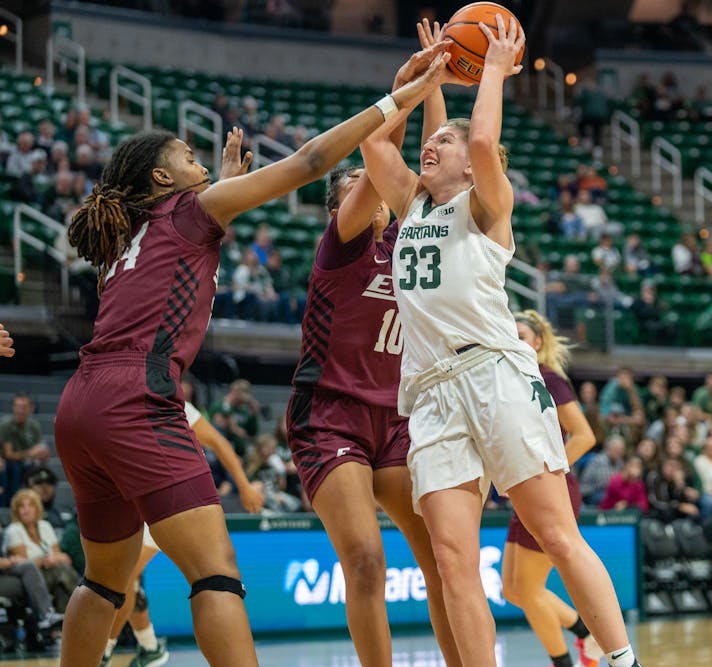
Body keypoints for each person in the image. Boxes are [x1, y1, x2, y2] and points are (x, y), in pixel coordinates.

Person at [51, 43, 448, 667]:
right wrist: (397, 98)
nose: (200, 165)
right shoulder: (192, 209)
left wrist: (226, 182)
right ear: (162, 180)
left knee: (104, 579)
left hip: (81, 404)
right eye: (188, 158)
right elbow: (312, 159)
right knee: (216, 575)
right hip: (138, 396)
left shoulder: (134, 233)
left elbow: (182, 253)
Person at [359, 15, 642, 667]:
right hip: (429, 394)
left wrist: (490, 67)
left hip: (495, 375)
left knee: (557, 534)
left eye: (445, 141)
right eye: (436, 139)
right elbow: (377, 146)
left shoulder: (487, 206)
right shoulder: (412, 205)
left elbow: (483, 141)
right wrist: (415, 79)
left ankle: (623, 658)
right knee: (454, 563)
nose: (437, 144)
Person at [285, 23, 462, 664]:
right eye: (359, 181)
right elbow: (383, 154)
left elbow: (428, 165)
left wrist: (435, 84)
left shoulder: (416, 242)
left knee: (446, 558)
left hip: (397, 415)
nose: (374, 184)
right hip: (329, 407)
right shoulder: (343, 240)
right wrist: (412, 87)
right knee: (364, 560)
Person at [101, 400, 265, 667]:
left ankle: (105, 651)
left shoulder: (169, 399)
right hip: (136, 498)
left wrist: (245, 486)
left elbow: (220, 443)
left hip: (173, 495)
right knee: (128, 579)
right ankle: (148, 645)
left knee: (126, 574)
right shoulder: (120, 397)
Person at [502, 309, 603, 667]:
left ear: (538, 343)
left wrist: (550, 471)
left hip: (551, 490)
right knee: (512, 590)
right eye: (509, 334)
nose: (514, 342)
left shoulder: (547, 377)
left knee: (528, 590)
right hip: (524, 490)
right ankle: (585, 633)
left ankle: (569, 655)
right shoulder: (507, 379)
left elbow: (585, 436)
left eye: (522, 337)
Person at [5, 489, 79, 613]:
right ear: (16, 510)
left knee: (62, 585)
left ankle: (62, 626)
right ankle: (84, 606)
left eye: (30, 505)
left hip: (54, 572)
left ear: (37, 508)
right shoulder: (13, 530)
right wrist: (47, 560)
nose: (26, 510)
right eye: (21, 506)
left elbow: (58, 554)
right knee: (62, 572)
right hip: (33, 578)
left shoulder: (45, 526)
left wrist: (54, 559)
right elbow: (23, 564)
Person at [1, 393, 51, 504]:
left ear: (30, 409)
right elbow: (8, 454)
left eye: (23, 407)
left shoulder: (34, 426)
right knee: (15, 468)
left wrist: (43, 454)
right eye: (17, 406)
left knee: (45, 473)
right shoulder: (6, 425)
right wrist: (30, 453)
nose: (20, 410)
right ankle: (13, 505)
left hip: (28, 462)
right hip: (9, 462)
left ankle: (42, 507)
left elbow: (39, 450)